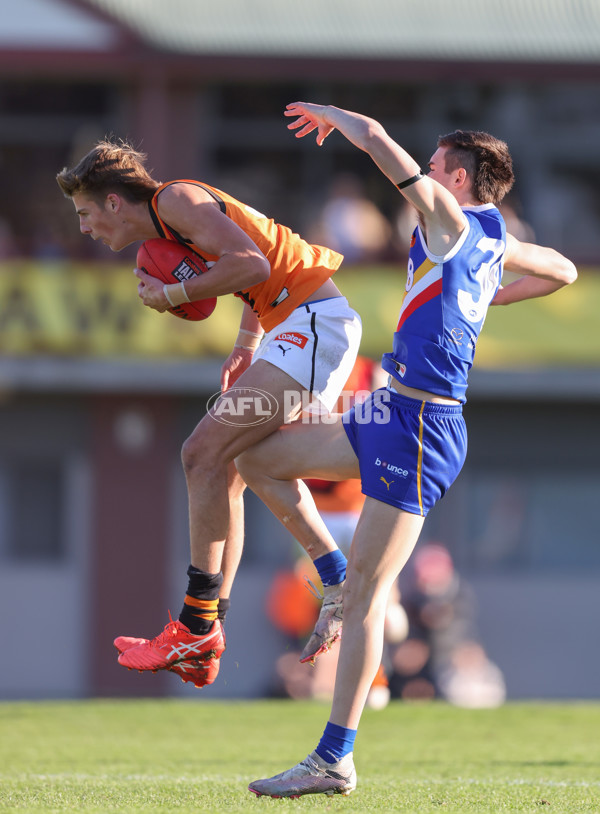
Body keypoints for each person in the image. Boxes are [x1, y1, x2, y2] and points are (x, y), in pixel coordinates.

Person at [235, 102, 577, 797]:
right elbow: (565, 270)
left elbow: (382, 145)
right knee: (256, 458)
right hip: (391, 408)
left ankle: (334, 757)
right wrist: (490, 299)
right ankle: (327, 569)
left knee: (369, 597)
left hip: (422, 425)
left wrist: (337, 116)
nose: (427, 170)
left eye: (437, 164)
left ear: (456, 177)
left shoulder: (452, 223)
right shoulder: (490, 237)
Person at [56, 139, 363, 687]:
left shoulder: (173, 201)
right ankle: (213, 627)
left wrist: (176, 296)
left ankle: (199, 623)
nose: (84, 228)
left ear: (112, 203)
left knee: (201, 452)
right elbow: (254, 275)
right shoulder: (174, 218)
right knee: (232, 466)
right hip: (294, 325)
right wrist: (249, 340)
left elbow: (252, 263)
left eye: (85, 213)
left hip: (313, 322)